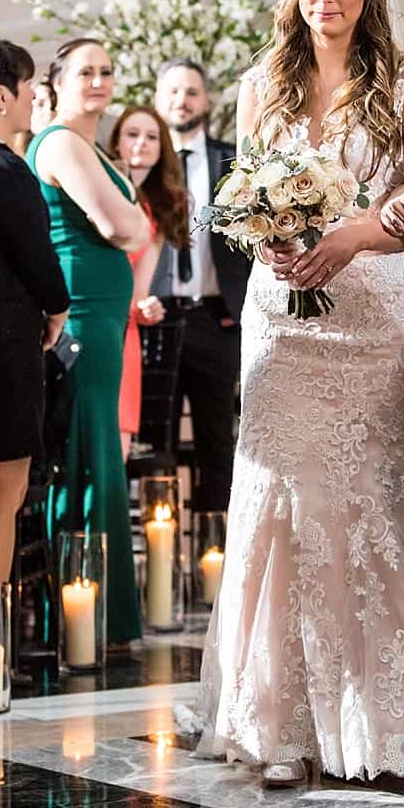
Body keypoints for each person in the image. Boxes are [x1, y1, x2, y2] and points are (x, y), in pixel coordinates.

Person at [184, 0, 404, 789]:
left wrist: (361, 235)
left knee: (366, 493)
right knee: (279, 497)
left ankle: (387, 722)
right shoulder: (261, 84)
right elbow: (241, 200)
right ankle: (280, 726)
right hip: (282, 317)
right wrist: (266, 237)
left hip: (373, 318)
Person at [32, 39, 152, 654]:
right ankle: (79, 623)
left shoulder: (91, 145)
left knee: (101, 452)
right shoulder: (59, 141)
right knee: (86, 453)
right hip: (82, 313)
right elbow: (119, 225)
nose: (99, 81)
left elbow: (137, 222)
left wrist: (132, 221)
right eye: (86, 72)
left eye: (107, 70)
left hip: (105, 313)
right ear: (57, 81)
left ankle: (101, 620)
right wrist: (129, 223)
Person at [0, 36, 68, 590]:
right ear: (2, 96)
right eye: (30, 86)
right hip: (1, 346)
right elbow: (38, 256)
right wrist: (56, 309)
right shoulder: (3, 166)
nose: (35, 97)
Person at [147, 63, 247, 519]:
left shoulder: (234, 161)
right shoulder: (141, 161)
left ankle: (216, 562)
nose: (181, 100)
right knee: (155, 442)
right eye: (172, 92)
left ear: (207, 101)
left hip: (216, 319)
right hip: (155, 317)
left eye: (191, 92)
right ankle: (163, 562)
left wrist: (238, 312)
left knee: (218, 443)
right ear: (156, 100)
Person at [108, 104, 185, 463]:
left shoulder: (158, 208)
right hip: (92, 318)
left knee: (119, 447)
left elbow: (138, 292)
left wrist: (145, 308)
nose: (141, 143)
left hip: (125, 332)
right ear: (117, 142)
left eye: (152, 136)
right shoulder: (101, 189)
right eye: (132, 134)